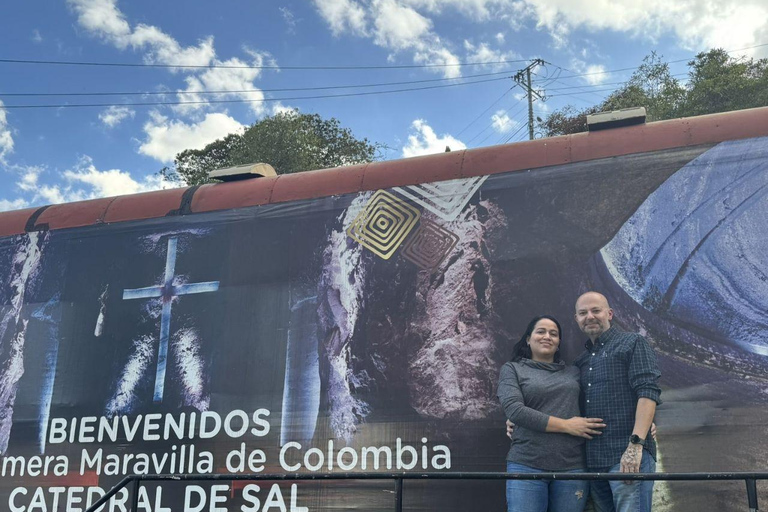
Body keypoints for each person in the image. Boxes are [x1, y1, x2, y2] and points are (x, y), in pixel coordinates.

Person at [498, 315, 606, 512]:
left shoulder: (574, 372)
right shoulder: (512, 369)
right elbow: (515, 410)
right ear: (528, 339)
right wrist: (567, 425)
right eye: (541, 332)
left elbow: (603, 399)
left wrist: (644, 420)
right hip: (526, 463)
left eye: (553, 334)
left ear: (558, 344)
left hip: (572, 467)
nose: (547, 336)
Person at [571, 291, 661, 512]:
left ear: (609, 313)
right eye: (583, 313)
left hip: (627, 457)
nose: (589, 316)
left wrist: (636, 445)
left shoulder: (633, 343)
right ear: (577, 319)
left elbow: (648, 392)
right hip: (594, 463)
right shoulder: (581, 361)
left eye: (596, 310)